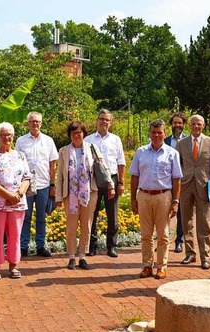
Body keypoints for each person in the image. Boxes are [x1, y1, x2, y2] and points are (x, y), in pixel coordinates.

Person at [56, 121, 114, 270]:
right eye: (73, 133)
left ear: (84, 134)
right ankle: (71, 257)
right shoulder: (63, 151)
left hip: (89, 192)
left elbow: (103, 166)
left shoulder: (91, 148)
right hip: (70, 194)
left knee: (87, 225)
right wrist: (58, 197)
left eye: (79, 133)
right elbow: (60, 176)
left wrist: (111, 185)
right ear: (70, 135)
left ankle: (82, 255)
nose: (77, 135)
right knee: (71, 226)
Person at [130, 119, 182, 280]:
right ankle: (147, 265)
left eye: (160, 132)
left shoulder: (172, 153)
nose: (157, 135)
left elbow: (177, 179)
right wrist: (133, 199)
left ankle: (162, 266)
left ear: (165, 133)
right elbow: (134, 176)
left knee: (163, 234)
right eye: (154, 132)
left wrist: (175, 202)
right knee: (146, 234)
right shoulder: (141, 152)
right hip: (144, 196)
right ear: (149, 133)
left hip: (163, 196)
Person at [0, 122, 31, 280]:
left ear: (13, 136)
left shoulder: (20, 155)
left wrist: (18, 194)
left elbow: (27, 177)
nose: (7, 137)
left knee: (15, 234)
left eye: (9, 134)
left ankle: (14, 264)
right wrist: (9, 196)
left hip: (17, 203)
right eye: (3, 135)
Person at [176, 115, 210, 270]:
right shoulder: (181, 144)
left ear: (204, 126)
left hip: (204, 186)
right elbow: (177, 165)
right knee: (186, 221)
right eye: (193, 124)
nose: (196, 126)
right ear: (189, 126)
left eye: (199, 124)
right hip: (186, 186)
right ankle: (190, 253)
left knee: (204, 223)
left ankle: (205, 256)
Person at [15, 111, 58, 257]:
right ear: (27, 124)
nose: (35, 124)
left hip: (43, 184)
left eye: (37, 121)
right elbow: (16, 162)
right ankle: (23, 246)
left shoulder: (48, 141)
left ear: (41, 123)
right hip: (26, 185)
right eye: (32, 121)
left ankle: (40, 245)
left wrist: (53, 185)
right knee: (25, 216)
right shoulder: (21, 141)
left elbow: (53, 164)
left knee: (41, 216)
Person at [86, 109, 126, 258]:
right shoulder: (88, 140)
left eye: (107, 120)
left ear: (110, 122)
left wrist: (121, 183)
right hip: (94, 181)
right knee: (92, 214)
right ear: (97, 121)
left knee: (112, 215)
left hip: (112, 180)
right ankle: (92, 246)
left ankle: (112, 246)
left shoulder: (115, 139)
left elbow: (121, 162)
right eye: (101, 119)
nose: (104, 122)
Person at [165, 112, 188, 253]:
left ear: (184, 125)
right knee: (163, 212)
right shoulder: (165, 141)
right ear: (171, 124)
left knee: (181, 213)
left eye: (180, 123)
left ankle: (179, 241)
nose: (177, 125)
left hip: (183, 182)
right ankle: (163, 240)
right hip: (167, 182)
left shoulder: (188, 141)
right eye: (175, 123)